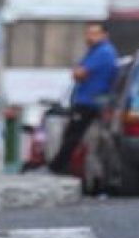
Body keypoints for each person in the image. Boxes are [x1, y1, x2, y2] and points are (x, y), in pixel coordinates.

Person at [48, 22, 118, 174]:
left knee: (73, 136)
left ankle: (57, 167)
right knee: (73, 135)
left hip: (90, 102)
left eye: (95, 33)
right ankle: (61, 167)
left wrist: (78, 72)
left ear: (104, 35)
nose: (90, 37)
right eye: (88, 33)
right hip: (87, 100)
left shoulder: (103, 52)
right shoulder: (94, 51)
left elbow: (79, 73)